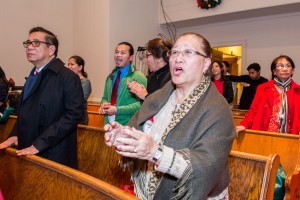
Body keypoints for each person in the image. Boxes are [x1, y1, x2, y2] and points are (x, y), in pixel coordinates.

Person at [104, 32, 236, 199]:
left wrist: (155, 152)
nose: (178, 58)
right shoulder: (160, 96)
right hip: (146, 193)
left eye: (188, 52)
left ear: (206, 63)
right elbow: (140, 129)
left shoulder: (218, 108)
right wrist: (123, 136)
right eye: (174, 52)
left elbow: (205, 167)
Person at [0, 27, 84, 169]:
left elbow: (74, 114)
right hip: (28, 149)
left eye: (36, 43)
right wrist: (15, 135)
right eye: (28, 43)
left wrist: (40, 144)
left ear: (51, 50)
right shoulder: (33, 75)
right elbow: (24, 112)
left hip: (53, 154)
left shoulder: (68, 77)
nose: (29, 47)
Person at [236, 55, 300, 135]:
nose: (285, 69)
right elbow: (254, 110)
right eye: (280, 66)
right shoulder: (263, 88)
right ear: (274, 71)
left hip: (289, 137)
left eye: (288, 66)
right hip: (265, 135)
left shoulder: (298, 90)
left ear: (292, 70)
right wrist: (244, 125)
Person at [99, 42, 147, 125]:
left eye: (122, 53)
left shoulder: (138, 77)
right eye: (116, 52)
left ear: (131, 57)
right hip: (108, 124)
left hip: (127, 125)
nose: (118, 55)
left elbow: (141, 105)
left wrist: (117, 110)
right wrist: (103, 104)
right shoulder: (110, 77)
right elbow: (104, 98)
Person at [68, 55, 92, 125]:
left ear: (80, 67)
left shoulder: (85, 82)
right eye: (68, 64)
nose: (69, 67)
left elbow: (81, 99)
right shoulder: (68, 80)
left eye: (72, 64)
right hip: (68, 116)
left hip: (80, 118)